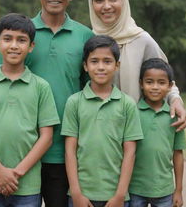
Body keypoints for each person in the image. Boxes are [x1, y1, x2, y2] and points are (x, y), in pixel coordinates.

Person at [0, 0, 94, 207]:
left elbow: (89, 90)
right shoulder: (21, 33)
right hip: (17, 155)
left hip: (62, 151)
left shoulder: (85, 36)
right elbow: (0, 73)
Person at [0, 13, 60, 207]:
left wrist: (17, 173)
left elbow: (46, 137)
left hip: (27, 186)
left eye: (22, 40)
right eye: (8, 39)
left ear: (31, 46)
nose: (14, 45)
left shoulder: (41, 87)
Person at [88, 0, 186, 131]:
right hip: (99, 133)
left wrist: (176, 100)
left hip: (139, 131)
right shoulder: (89, 41)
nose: (106, 6)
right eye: (99, 0)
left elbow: (165, 79)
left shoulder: (142, 40)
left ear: (124, 1)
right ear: (91, 3)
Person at [61, 35, 144, 207]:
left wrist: (120, 195)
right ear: (85, 66)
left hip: (116, 197)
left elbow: (130, 153)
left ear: (117, 65)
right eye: (94, 61)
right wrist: (76, 193)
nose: (100, 67)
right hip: (81, 196)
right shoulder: (74, 102)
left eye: (107, 61)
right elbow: (70, 151)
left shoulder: (127, 104)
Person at [129, 58, 186, 207]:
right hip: (135, 189)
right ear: (141, 83)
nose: (155, 87)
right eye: (149, 82)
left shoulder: (175, 117)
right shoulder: (132, 112)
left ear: (170, 86)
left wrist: (178, 190)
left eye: (161, 82)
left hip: (164, 190)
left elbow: (178, 154)